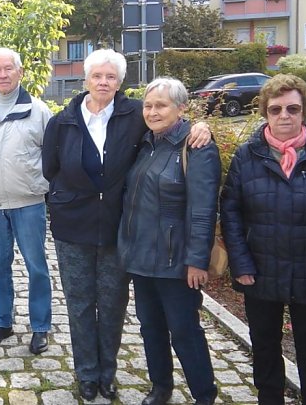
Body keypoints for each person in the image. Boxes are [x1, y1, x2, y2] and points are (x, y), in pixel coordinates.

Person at [42, 49, 210, 401]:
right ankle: (86, 373)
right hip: (73, 228)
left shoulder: (135, 113)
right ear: (86, 79)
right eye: (97, 76)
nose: (104, 82)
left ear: (120, 82)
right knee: (80, 303)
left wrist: (200, 127)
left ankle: (108, 373)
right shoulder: (63, 121)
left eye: (111, 77)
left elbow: (170, 124)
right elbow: (50, 169)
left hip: (120, 229)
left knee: (113, 302)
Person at [221, 73, 306, 405]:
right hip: (259, 270)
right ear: (265, 111)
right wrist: (240, 262)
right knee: (264, 345)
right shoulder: (248, 155)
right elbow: (231, 212)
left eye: (292, 109)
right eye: (276, 109)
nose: (284, 116)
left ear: (305, 111)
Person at [118, 77, 220, 405]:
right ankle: (160, 387)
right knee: (151, 329)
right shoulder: (145, 142)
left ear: (181, 108)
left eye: (161, 105)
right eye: (148, 105)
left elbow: (204, 209)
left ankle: (204, 394)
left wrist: (197, 260)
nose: (152, 111)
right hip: (141, 258)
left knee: (185, 332)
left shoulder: (196, 147)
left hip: (177, 262)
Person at [0, 48, 52, 354]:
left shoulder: (38, 110)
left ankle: (40, 326)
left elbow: (51, 155)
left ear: (20, 72)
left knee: (36, 266)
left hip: (28, 202)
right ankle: (2, 322)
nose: (3, 75)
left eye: (9, 69)